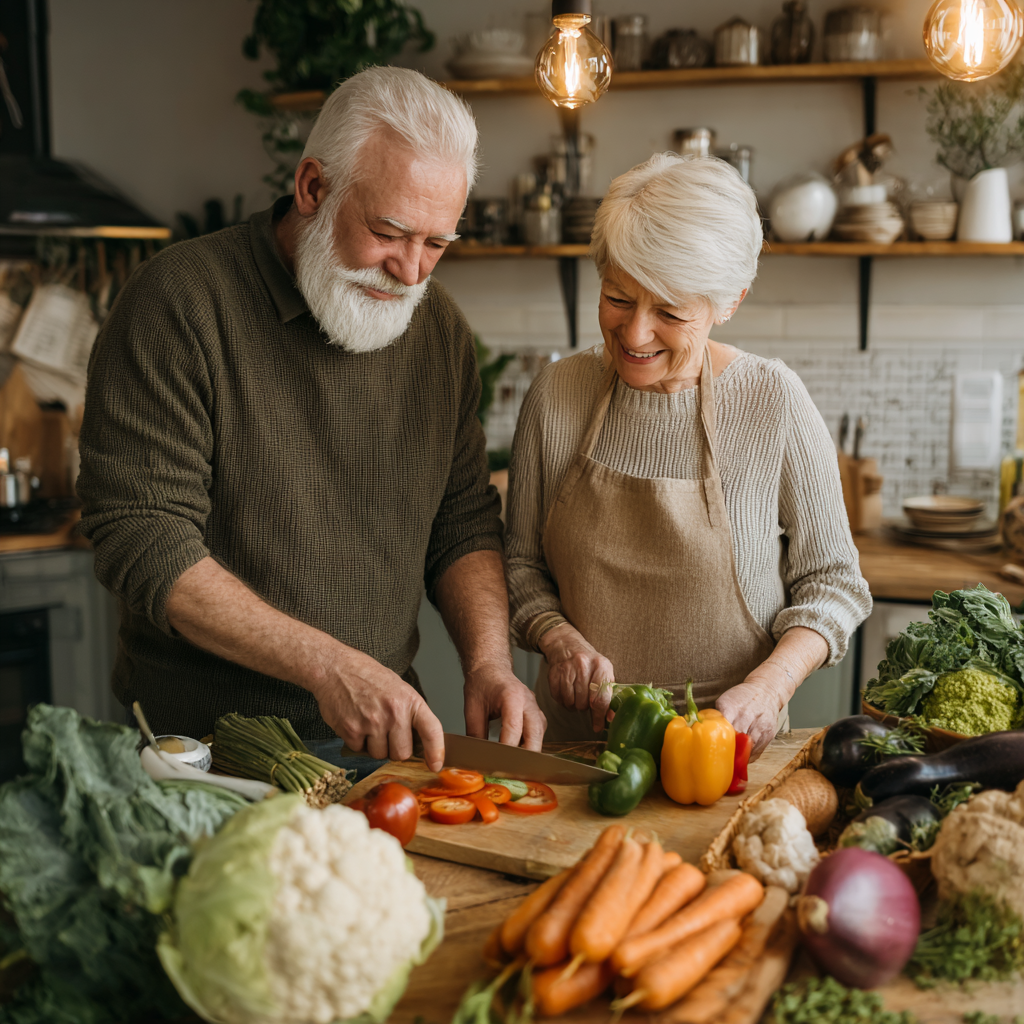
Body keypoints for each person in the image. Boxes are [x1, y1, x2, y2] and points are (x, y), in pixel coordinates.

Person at [77, 67, 545, 771]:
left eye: (438, 243)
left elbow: (462, 520)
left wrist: (488, 664)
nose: (413, 272)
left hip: (382, 748)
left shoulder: (437, 329)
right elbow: (142, 533)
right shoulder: (180, 301)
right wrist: (328, 668)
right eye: (389, 232)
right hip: (206, 755)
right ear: (312, 188)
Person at [505, 153, 871, 757]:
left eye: (671, 312)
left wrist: (770, 686)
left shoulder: (770, 400)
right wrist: (555, 636)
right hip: (579, 756)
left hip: (728, 754)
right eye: (618, 298)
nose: (635, 333)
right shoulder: (557, 395)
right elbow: (520, 566)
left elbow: (835, 583)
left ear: (730, 302)